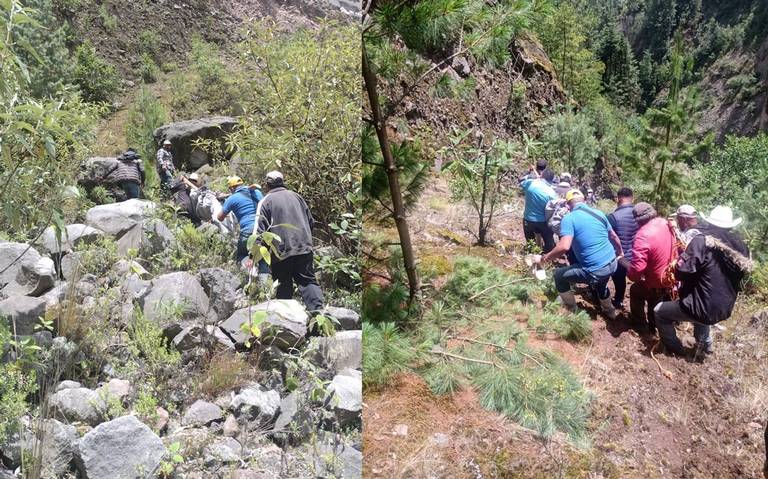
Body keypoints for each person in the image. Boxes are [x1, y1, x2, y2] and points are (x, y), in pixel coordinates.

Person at [653, 206, 751, 357]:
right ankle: (705, 346)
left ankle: (675, 349)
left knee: (659, 311)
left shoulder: (701, 241)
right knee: (702, 303)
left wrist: (677, 267)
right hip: (724, 307)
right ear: (730, 226)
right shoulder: (741, 246)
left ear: (710, 223)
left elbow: (682, 272)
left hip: (701, 307)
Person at [537, 189, 624, 319]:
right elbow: (614, 236)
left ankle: (572, 309)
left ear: (567, 205)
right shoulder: (599, 213)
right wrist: (621, 252)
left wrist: (545, 258)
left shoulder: (569, 218)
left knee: (559, 275)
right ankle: (610, 311)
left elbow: (564, 246)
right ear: (585, 201)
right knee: (602, 284)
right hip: (612, 263)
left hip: (594, 269)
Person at [256, 171, 323, 313]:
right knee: (308, 281)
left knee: (283, 286)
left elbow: (261, 232)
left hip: (281, 251)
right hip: (303, 248)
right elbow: (311, 221)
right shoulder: (297, 196)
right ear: (282, 182)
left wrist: (256, 255)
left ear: (267, 184)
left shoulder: (266, 201)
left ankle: (287, 322)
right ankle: (319, 314)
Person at [619, 202, 675, 334]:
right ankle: (654, 326)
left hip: (655, 280)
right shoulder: (665, 223)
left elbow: (637, 270)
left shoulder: (642, 235)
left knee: (636, 290)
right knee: (655, 301)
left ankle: (640, 325)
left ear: (637, 220)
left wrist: (630, 273)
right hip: (669, 275)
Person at [217, 176, 265, 266]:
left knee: (242, 255)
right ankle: (264, 278)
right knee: (262, 255)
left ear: (231, 188)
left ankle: (248, 274)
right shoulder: (257, 192)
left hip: (248, 230)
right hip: (262, 228)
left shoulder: (232, 198)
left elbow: (220, 217)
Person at [607, 187, 638, 309]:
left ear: (618, 199)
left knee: (619, 280)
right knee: (639, 283)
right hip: (637, 257)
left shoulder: (613, 217)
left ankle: (619, 300)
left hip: (620, 257)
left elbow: (610, 238)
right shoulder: (640, 214)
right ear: (632, 198)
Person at [520, 168, 558, 253]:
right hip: (543, 222)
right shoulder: (552, 193)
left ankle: (531, 258)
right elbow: (555, 209)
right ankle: (548, 260)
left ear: (541, 175)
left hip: (528, 219)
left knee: (530, 243)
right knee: (549, 244)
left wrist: (528, 173)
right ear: (552, 179)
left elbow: (521, 182)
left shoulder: (530, 184)